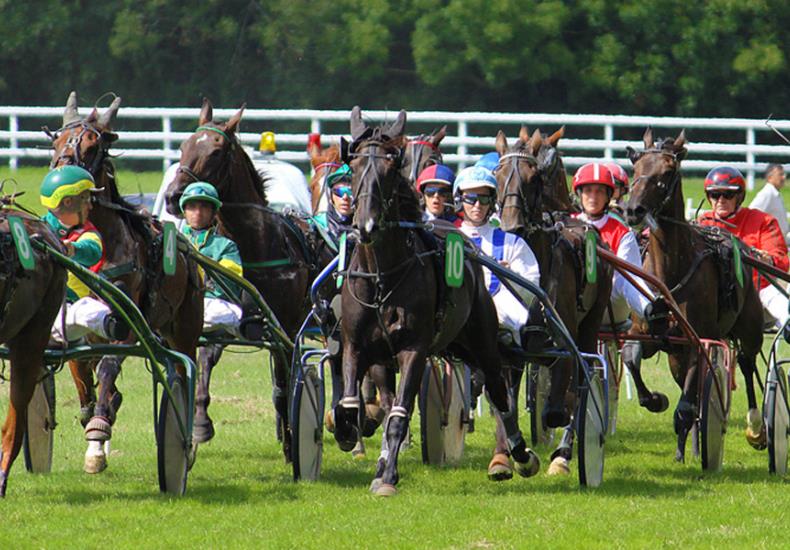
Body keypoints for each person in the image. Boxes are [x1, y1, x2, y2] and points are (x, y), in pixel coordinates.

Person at [41, 165, 129, 343]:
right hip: (33, 312)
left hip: (64, 315)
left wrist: (72, 249)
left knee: (82, 309)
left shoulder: (87, 232)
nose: (90, 205)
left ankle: (113, 323)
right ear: (68, 202)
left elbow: (92, 251)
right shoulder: (37, 228)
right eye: (85, 199)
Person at [455, 166, 540, 346]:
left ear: (492, 201)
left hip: (500, 321)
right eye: (471, 198)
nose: (477, 205)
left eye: (484, 198)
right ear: (459, 200)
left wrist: (512, 276)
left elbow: (532, 290)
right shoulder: (447, 239)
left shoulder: (513, 243)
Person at [697, 166, 789, 329]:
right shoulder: (703, 223)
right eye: (715, 194)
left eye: (728, 194)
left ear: (739, 197)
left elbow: (781, 260)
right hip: (714, 293)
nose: (721, 200)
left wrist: (767, 258)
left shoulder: (763, 221)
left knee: (781, 304)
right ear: (708, 196)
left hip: (758, 291)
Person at [572, 163, 662, 325]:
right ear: (579, 194)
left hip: (609, 304)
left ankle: (651, 311)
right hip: (571, 300)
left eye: (599, 191)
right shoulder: (567, 224)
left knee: (625, 278)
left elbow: (632, 277)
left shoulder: (622, 232)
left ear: (608, 196)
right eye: (588, 190)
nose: (593, 196)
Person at [179, 181, 245, 336]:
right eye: (192, 207)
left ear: (213, 213)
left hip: (210, 304)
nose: (198, 213)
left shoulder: (226, 246)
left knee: (224, 314)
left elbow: (228, 283)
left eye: (204, 207)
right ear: (184, 212)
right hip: (176, 303)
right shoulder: (172, 241)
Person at [312, 164, 354, 244]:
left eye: (350, 192)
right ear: (331, 196)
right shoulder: (318, 225)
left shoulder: (368, 229)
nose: (345, 197)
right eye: (339, 192)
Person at [750, 163, 790, 246]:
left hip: (781, 239)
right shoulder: (766, 194)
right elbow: (751, 215)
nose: (784, 177)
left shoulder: (775, 193)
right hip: (772, 242)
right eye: (780, 174)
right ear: (770, 178)